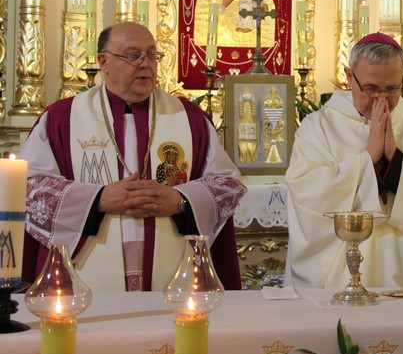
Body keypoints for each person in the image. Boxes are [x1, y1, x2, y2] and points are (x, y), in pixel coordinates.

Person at [21, 22, 247, 291]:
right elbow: (28, 187)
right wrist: (97, 200)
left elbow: (227, 185)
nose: (145, 64)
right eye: (132, 55)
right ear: (103, 61)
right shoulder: (62, 119)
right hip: (84, 281)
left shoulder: (189, 118)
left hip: (174, 280)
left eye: (151, 55)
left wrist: (180, 200)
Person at [285, 32, 403, 289]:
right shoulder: (318, 128)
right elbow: (306, 191)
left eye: (392, 89)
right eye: (371, 88)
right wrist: (368, 160)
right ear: (350, 77)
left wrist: (397, 161)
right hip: (339, 274)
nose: (381, 99)